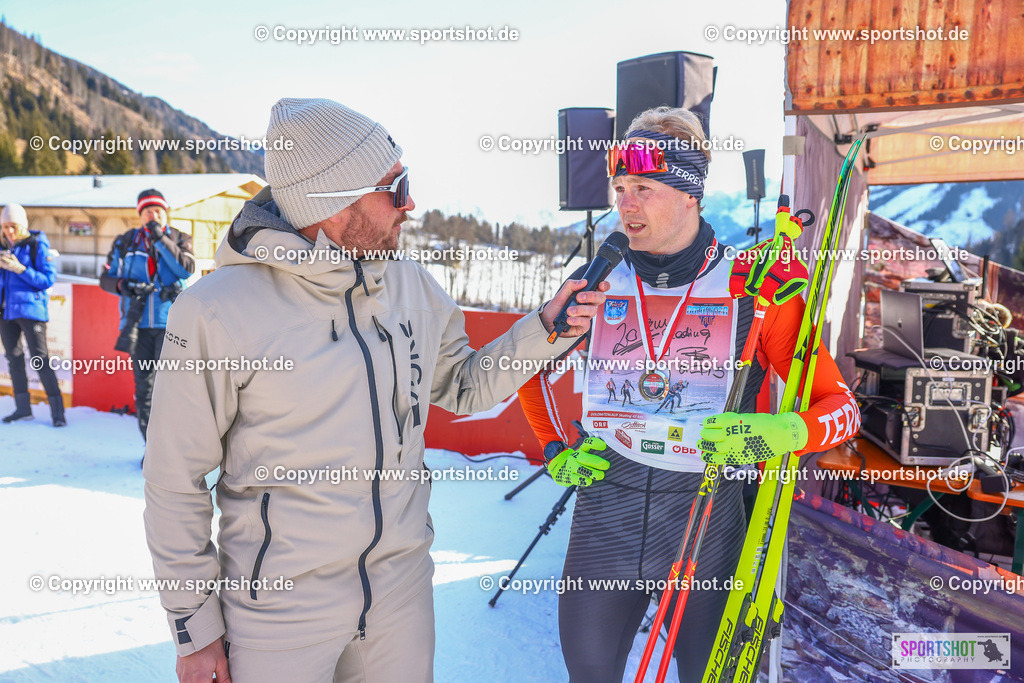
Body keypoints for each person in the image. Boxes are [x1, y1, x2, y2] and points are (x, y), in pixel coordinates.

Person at [142, 98, 607, 683]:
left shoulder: (413, 286)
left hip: (400, 598)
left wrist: (545, 329)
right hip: (278, 614)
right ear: (332, 202)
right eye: (396, 187)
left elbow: (463, 385)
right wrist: (194, 627)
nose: (411, 204)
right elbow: (174, 478)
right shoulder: (215, 312)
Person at [516, 106, 860, 682]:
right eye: (620, 188)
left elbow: (843, 410)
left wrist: (784, 432)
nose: (625, 205)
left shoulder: (755, 288)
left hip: (707, 522)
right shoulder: (598, 280)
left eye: (644, 189)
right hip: (605, 518)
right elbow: (525, 369)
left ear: (689, 195)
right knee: (589, 672)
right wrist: (554, 450)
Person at [99, 189, 194, 445]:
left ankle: (173, 446)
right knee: (144, 388)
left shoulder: (179, 238)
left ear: (166, 213)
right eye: (148, 212)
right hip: (137, 325)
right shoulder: (126, 241)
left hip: (171, 325)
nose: (154, 216)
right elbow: (105, 278)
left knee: (171, 387)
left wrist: (160, 239)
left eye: (158, 211)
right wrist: (123, 286)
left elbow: (186, 269)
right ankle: (151, 447)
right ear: (140, 215)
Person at [0, 203, 65, 426]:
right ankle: (23, 409)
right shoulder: (2, 246)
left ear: (22, 225)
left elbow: (47, 280)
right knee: (14, 359)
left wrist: (20, 268)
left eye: (13, 226)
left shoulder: (37, 244)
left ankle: (58, 413)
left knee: (40, 360)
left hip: (31, 311)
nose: (9, 231)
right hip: (6, 312)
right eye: (5, 226)